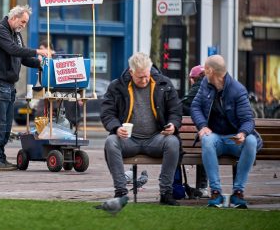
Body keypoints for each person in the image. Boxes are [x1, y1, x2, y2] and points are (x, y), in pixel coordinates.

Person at [100, 52, 182, 205]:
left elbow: (175, 110)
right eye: (140, 77)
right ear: (131, 73)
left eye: (146, 75)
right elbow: (107, 113)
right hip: (128, 139)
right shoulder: (116, 86)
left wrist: (173, 125)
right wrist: (116, 128)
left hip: (156, 138)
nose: (144, 80)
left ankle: (166, 192)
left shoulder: (164, 84)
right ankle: (121, 192)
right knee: (111, 141)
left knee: (173, 142)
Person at [190, 55, 263, 208]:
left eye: (205, 68)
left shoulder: (237, 90)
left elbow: (248, 120)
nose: (204, 72)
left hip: (235, 138)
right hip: (215, 137)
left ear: (210, 71)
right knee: (207, 139)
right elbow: (195, 107)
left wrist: (242, 133)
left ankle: (238, 193)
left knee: (251, 141)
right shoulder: (205, 84)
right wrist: (202, 126)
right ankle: (216, 193)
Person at [0, 5, 49, 171]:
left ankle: (1, 158)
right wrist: (37, 51)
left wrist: (39, 63)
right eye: (23, 21)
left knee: (5, 125)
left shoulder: (16, 34)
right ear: (13, 18)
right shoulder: (0, 30)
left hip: (8, 84)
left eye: (26, 23)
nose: (24, 25)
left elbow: (22, 58)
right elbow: (13, 50)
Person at [182, 64, 208, 198]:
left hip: (199, 139)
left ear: (193, 79)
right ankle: (203, 187)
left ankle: (201, 187)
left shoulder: (197, 89)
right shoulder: (212, 86)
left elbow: (184, 106)